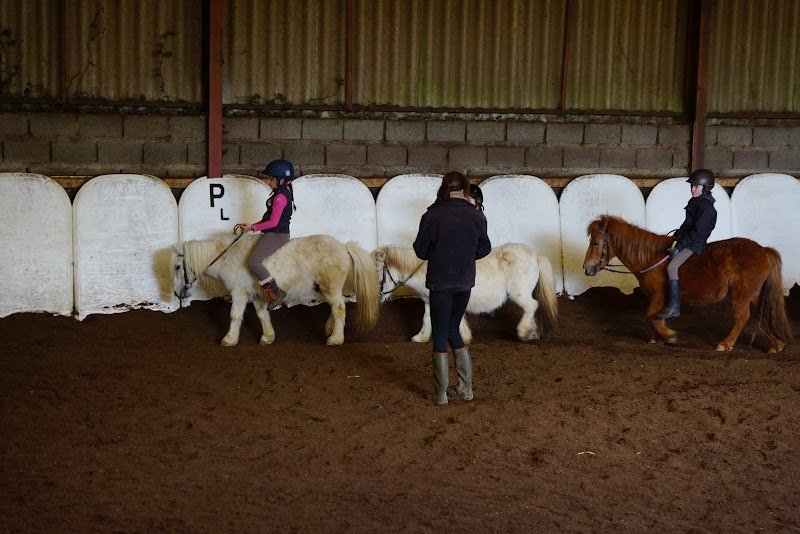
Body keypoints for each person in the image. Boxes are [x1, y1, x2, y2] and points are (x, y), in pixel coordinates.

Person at [412, 172, 492, 404]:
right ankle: (466, 389)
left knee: (439, 335)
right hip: (464, 282)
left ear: (444, 188)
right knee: (453, 330)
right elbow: (485, 247)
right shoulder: (476, 215)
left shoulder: (432, 215)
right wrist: (465, 255)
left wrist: (439, 253)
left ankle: (441, 394)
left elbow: (420, 251)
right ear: (465, 189)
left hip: (440, 283)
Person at [657, 168, 718, 319]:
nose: (692, 189)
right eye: (692, 186)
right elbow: (687, 224)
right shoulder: (695, 202)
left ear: (705, 188)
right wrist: (677, 235)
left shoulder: (707, 208)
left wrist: (678, 247)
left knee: (671, 267)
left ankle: (674, 307)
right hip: (687, 239)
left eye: (696, 186)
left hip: (694, 244)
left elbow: (696, 232)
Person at [235, 159, 295, 310]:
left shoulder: (280, 197)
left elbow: (273, 223)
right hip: (273, 232)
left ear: (281, 180)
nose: (269, 182)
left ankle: (276, 294)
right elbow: (268, 219)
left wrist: (253, 227)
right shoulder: (279, 193)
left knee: (254, 261)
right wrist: (252, 226)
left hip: (278, 235)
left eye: (272, 179)